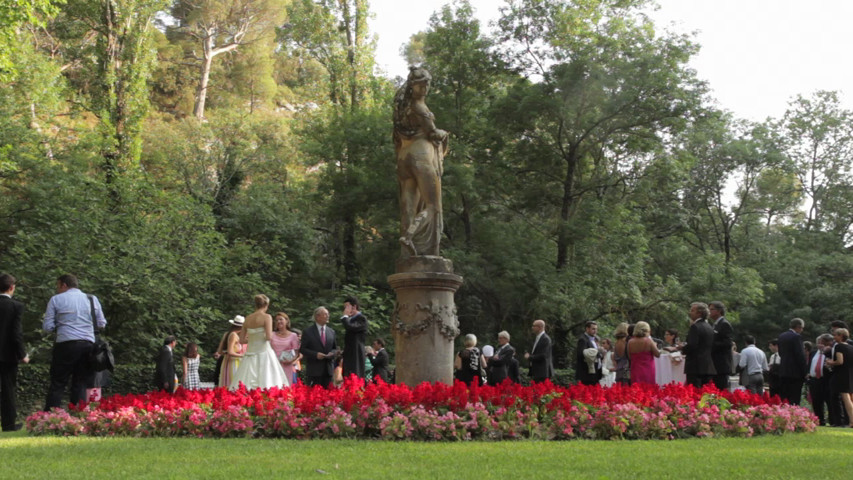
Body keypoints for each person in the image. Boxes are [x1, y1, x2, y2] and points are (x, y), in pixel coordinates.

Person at [393, 66, 449, 257]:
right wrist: (443, 133)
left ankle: (407, 255)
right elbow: (433, 133)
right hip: (421, 155)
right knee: (433, 206)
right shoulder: (420, 107)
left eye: (427, 84)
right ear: (413, 86)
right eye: (423, 85)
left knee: (408, 206)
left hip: (404, 156)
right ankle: (410, 236)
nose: (425, 88)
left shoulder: (402, 108)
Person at [43, 274, 107, 410]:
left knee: (58, 382)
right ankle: (78, 414)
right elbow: (101, 323)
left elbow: (47, 327)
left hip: (65, 345)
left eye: (58, 286)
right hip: (88, 345)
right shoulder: (92, 299)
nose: (57, 289)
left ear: (64, 285)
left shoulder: (56, 300)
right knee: (81, 382)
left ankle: (50, 415)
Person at [229, 294, 289, 390]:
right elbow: (269, 337)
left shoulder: (248, 318)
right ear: (266, 305)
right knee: (268, 379)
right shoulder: (267, 317)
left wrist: (253, 339)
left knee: (245, 379)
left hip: (250, 353)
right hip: (264, 351)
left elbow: (242, 340)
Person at [0, 273, 28, 431]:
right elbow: (16, 334)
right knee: (8, 389)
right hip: (7, 355)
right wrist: (22, 354)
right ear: (11, 287)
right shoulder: (16, 306)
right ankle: (9, 423)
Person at [679, 302, 716, 388]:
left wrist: (682, 348)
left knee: (695, 392)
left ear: (699, 313)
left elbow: (692, 345)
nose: (690, 312)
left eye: (692, 310)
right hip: (707, 365)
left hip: (695, 366)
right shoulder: (709, 327)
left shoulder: (695, 327)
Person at [300, 306, 338, 388]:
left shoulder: (331, 332)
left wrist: (332, 353)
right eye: (325, 314)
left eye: (328, 314)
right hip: (314, 371)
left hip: (328, 371)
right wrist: (315, 354)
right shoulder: (308, 332)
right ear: (317, 316)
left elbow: (335, 348)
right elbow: (303, 349)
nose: (328, 316)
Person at [825, 328, 853, 428]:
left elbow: (840, 361)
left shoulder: (839, 346)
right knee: (849, 398)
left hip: (841, 375)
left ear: (841, 336)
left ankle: (851, 421)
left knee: (845, 398)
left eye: (836, 335)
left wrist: (830, 362)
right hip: (849, 374)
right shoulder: (850, 347)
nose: (834, 337)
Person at [777, 317, 808, 405]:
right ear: (798, 327)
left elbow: (780, 353)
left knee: (784, 396)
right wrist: (805, 371)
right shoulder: (796, 337)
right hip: (795, 372)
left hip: (783, 370)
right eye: (802, 328)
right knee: (794, 397)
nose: (802, 330)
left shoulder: (782, 336)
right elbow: (800, 355)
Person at [808, 334, 833, 425]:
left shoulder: (829, 352)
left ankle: (832, 421)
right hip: (814, 380)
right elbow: (810, 364)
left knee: (829, 401)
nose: (820, 345)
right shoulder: (813, 353)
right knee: (816, 401)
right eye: (818, 343)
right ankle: (819, 420)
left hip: (825, 380)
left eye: (822, 343)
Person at [270, 311, 301, 386]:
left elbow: (296, 352)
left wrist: (291, 361)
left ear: (286, 321)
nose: (278, 321)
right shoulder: (271, 334)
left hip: (286, 365)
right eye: (276, 320)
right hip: (273, 364)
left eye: (281, 319)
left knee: (285, 387)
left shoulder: (293, 335)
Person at [340, 296, 368, 379]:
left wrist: (345, 317)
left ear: (354, 307)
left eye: (347, 307)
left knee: (355, 377)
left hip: (356, 354)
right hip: (349, 354)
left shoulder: (361, 319)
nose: (345, 310)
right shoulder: (350, 320)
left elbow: (351, 327)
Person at [709, 301, 734, 391]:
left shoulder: (724, 324)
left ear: (719, 311)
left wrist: (710, 345)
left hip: (721, 364)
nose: (709, 311)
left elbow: (727, 343)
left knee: (721, 389)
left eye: (712, 309)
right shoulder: (715, 324)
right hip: (715, 364)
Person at [218, 315, 246, 387]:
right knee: (234, 382)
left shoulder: (227, 334)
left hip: (226, 362)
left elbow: (219, 351)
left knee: (227, 382)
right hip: (234, 362)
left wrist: (226, 353)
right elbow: (230, 352)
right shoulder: (234, 335)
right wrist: (242, 355)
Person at [576, 321, 603, 386]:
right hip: (587, 373)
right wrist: (597, 353)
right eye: (593, 329)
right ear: (587, 329)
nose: (595, 331)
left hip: (596, 371)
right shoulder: (583, 339)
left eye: (596, 329)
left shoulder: (595, 339)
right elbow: (581, 354)